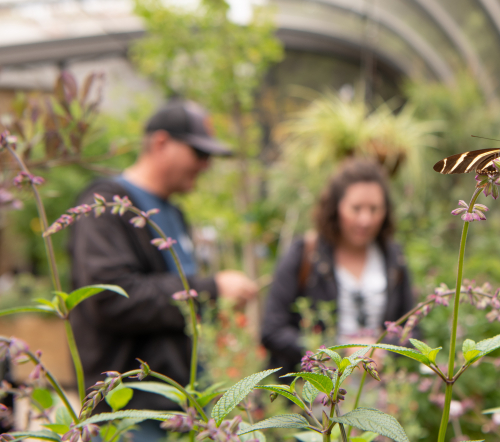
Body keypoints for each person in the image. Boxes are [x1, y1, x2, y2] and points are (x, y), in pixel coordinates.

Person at [69, 99, 258, 417]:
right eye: (199, 153)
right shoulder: (106, 207)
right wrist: (211, 288)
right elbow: (111, 298)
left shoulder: (173, 212)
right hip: (131, 408)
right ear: (161, 143)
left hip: (180, 404)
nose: (206, 165)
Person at [261, 158, 415, 376]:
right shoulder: (305, 253)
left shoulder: (392, 258)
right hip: (317, 395)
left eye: (374, 209)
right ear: (336, 207)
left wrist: (383, 352)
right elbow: (272, 331)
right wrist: (337, 352)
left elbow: (412, 328)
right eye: (356, 208)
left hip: (378, 393)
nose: (365, 219)